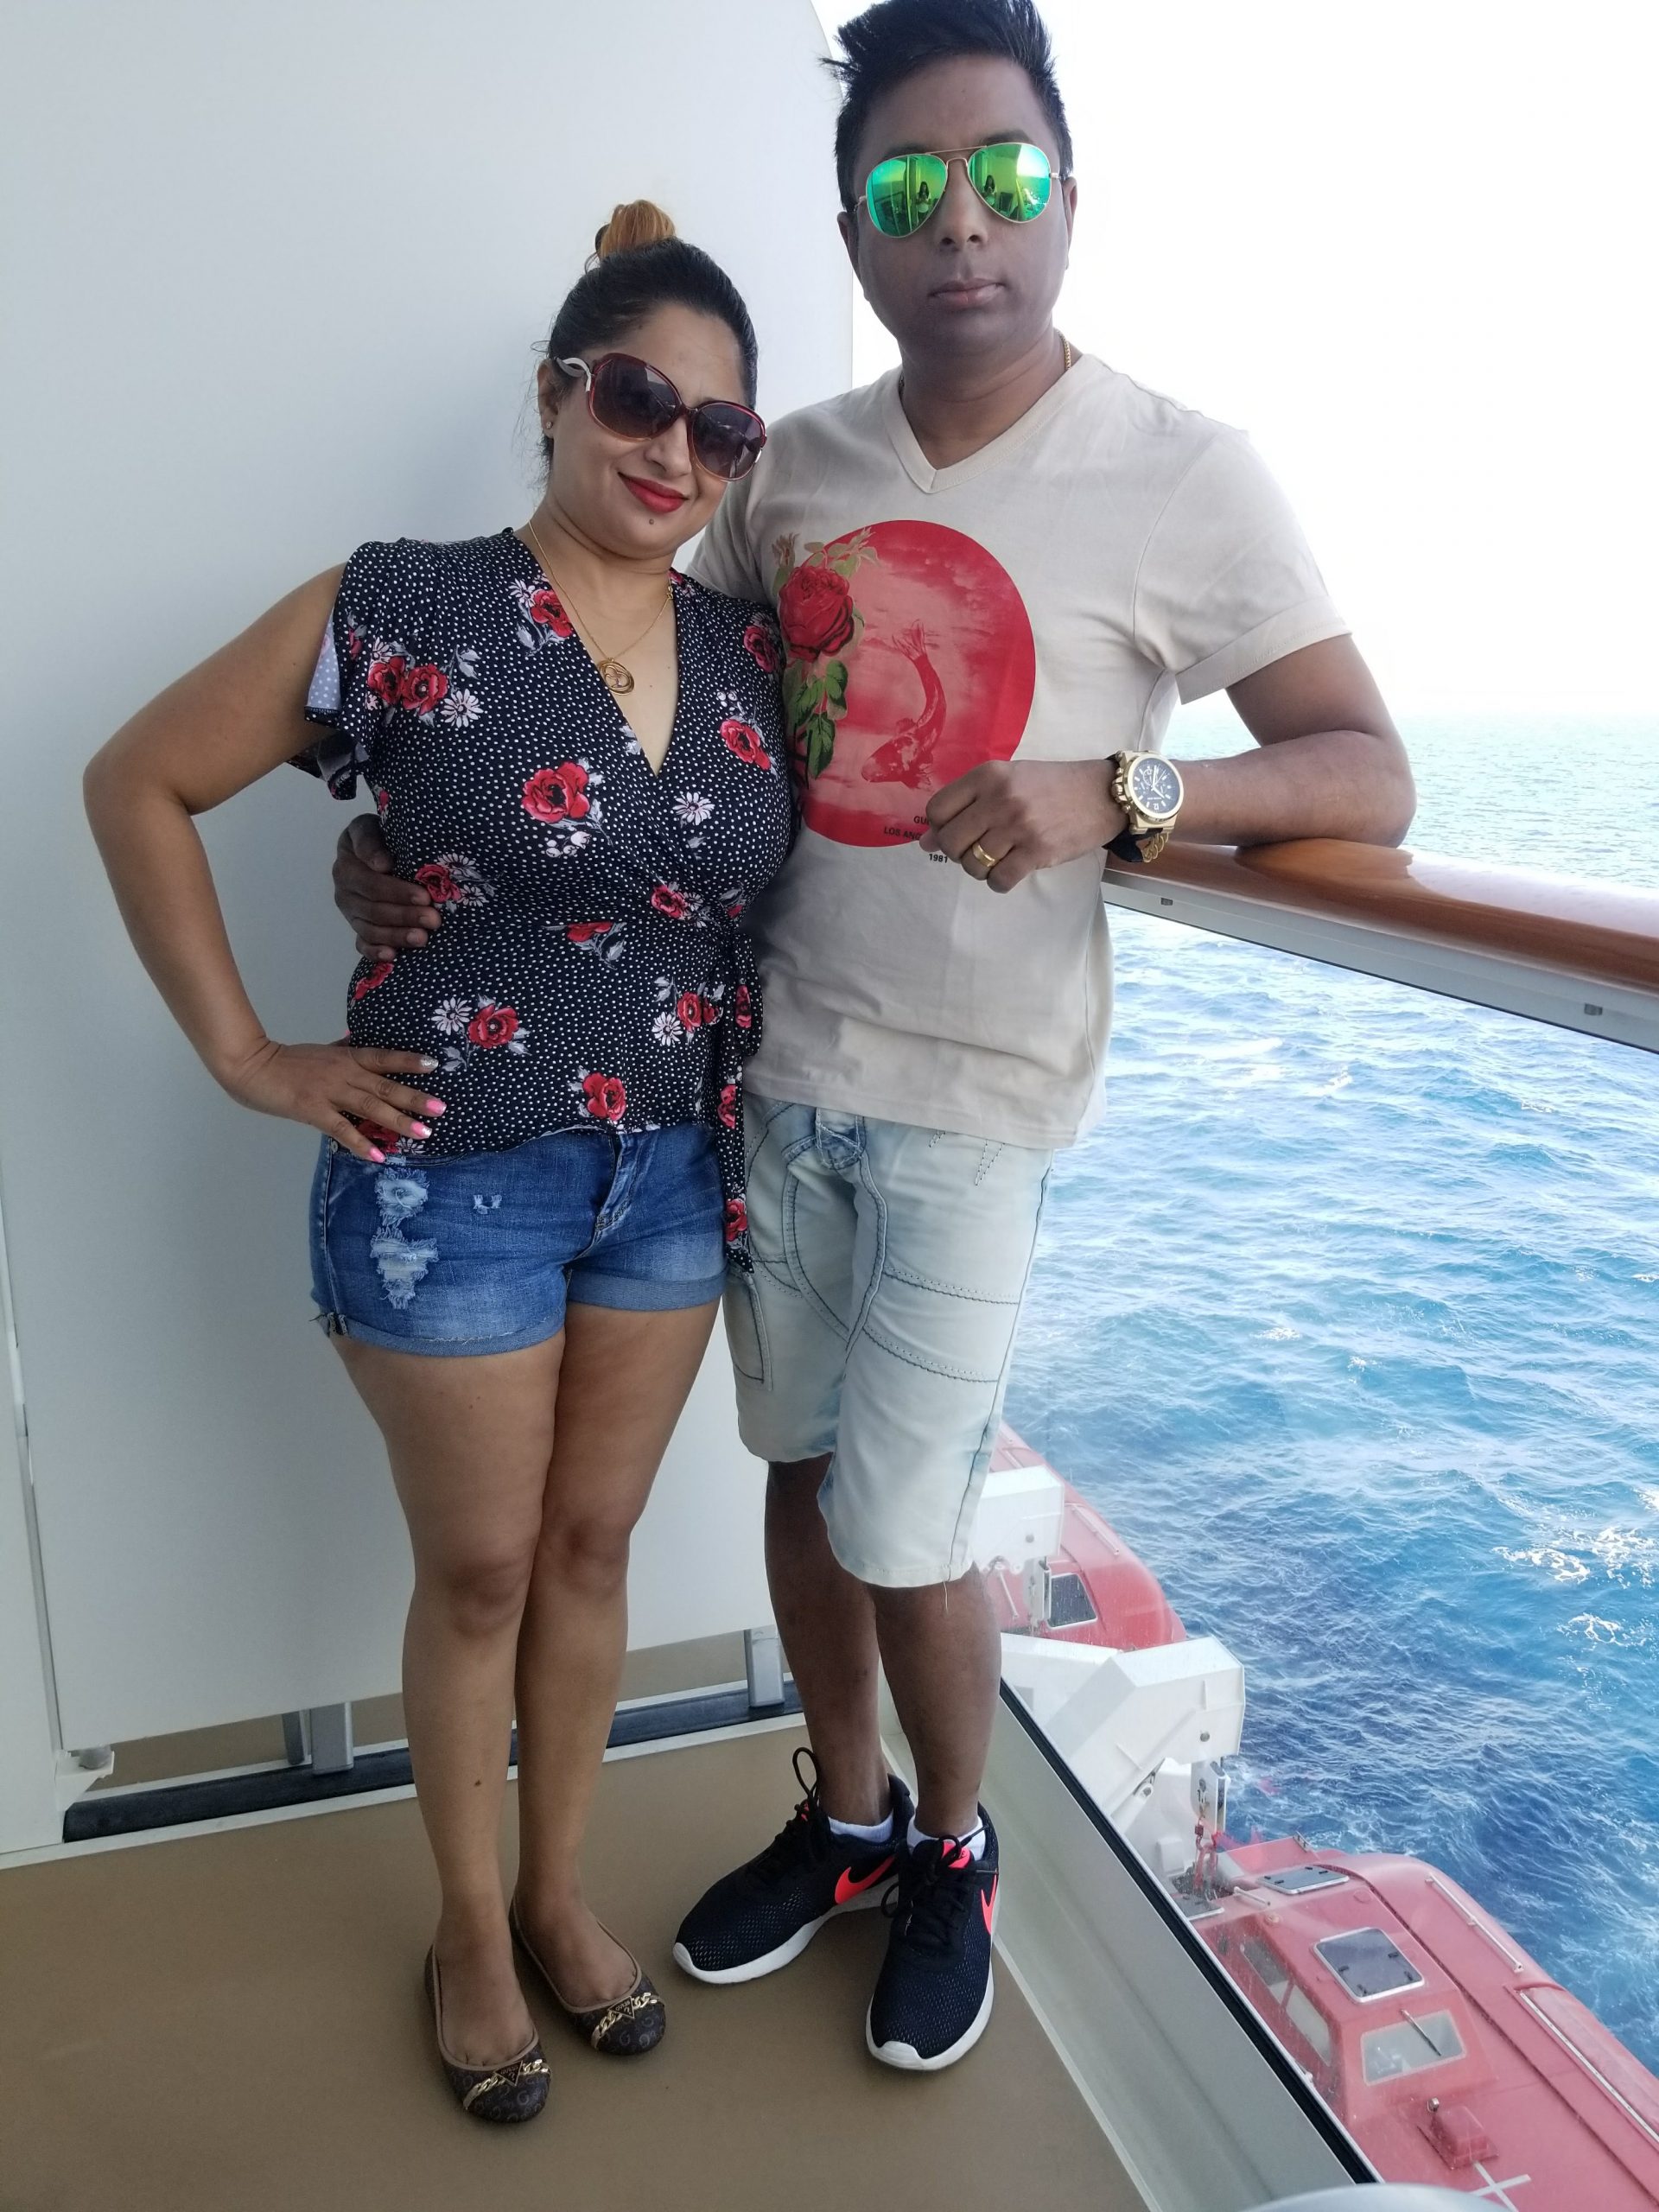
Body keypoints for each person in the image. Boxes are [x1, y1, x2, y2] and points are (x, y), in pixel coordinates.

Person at [332, 0, 1416, 2075]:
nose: (964, 227)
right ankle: (842, 1818)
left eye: (1007, 177)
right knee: (804, 1478)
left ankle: (952, 1846)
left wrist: (1126, 792)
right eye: (913, 189)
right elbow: (632, 669)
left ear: (1070, 197)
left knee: (911, 1526)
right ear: (854, 233)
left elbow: (1366, 767)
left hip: (979, 1100)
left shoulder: (1186, 472)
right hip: (762, 1077)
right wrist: (392, 854)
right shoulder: (792, 466)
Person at [83, 203, 792, 2123]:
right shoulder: (403, 602)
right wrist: (250, 1055)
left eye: (722, 427)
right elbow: (137, 779)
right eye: (639, 396)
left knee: (590, 1551)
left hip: (667, 1171)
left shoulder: (746, 651)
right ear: (556, 393)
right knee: (480, 1568)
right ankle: (469, 1925)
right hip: (446, 1171)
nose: (675, 450)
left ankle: (558, 1891)